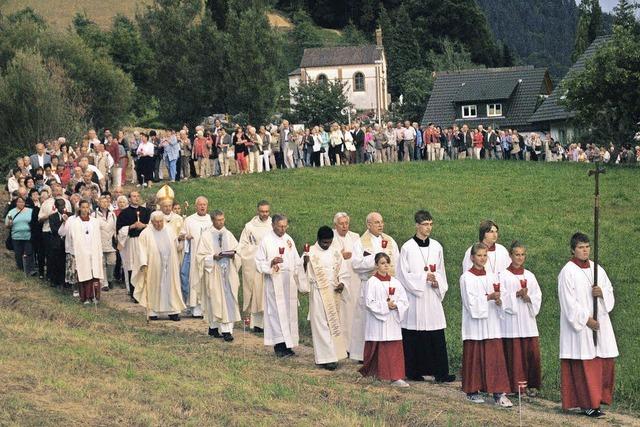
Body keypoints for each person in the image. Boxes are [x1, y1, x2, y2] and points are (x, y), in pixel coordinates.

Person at [558, 232, 618, 418]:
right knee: (584, 363)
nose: (585, 251)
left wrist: (601, 293)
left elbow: (609, 290)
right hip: (581, 326)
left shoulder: (597, 268)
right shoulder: (567, 271)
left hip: (599, 322)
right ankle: (587, 403)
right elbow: (568, 302)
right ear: (573, 250)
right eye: (581, 248)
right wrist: (586, 320)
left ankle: (597, 400)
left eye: (587, 247)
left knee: (601, 360)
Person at [397, 210, 455, 382]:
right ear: (417, 225)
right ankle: (414, 371)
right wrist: (423, 278)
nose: (428, 228)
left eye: (430, 224)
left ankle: (440, 372)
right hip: (415, 297)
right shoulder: (407, 247)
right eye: (425, 224)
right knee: (415, 332)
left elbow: (441, 271)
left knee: (435, 332)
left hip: (432, 295)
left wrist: (437, 281)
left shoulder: (437, 246)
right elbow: (403, 275)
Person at [460, 242, 513, 407]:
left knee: (495, 357)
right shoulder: (466, 278)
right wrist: (488, 298)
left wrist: (498, 300)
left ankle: (498, 392)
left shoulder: (492, 276)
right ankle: (472, 391)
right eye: (479, 255)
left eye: (485, 255)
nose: (482, 259)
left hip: (491, 322)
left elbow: (501, 299)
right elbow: (470, 302)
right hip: (475, 325)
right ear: (472, 257)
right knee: (475, 356)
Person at [255, 214, 308, 357]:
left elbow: (296, 261)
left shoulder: (288, 239)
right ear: (273, 225)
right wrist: (271, 263)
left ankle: (288, 344)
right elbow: (259, 262)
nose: (283, 229)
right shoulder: (266, 240)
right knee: (277, 313)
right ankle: (279, 346)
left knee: (289, 313)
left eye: (285, 226)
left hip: (288, 281)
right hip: (275, 281)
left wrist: (304, 263)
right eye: (280, 226)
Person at [350, 212, 399, 362]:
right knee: (366, 321)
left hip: (387, 286)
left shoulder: (390, 241)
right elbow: (356, 264)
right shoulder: (360, 242)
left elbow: (397, 262)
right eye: (376, 222)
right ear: (368, 225)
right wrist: (376, 258)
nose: (380, 225)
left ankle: (383, 353)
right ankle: (363, 354)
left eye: (381, 222)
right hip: (369, 285)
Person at [359, 252, 409, 387]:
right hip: (377, 320)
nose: (385, 265)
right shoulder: (372, 282)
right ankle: (377, 374)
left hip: (392, 320)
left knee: (393, 348)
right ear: (376, 265)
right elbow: (369, 302)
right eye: (382, 263)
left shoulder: (395, 282)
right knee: (378, 347)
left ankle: (396, 377)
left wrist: (396, 305)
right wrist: (386, 306)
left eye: (387, 263)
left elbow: (404, 300)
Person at [303, 226, 349, 370]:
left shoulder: (336, 252)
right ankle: (325, 358)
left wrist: (342, 283)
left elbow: (344, 271)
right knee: (320, 324)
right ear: (318, 239)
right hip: (318, 291)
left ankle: (335, 354)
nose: (326, 245)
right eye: (324, 242)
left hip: (333, 291)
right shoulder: (310, 252)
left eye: (329, 242)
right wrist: (304, 263)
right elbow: (301, 273)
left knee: (333, 324)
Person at [500, 241, 542, 395]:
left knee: (531, 353)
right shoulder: (503, 275)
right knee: (515, 352)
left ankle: (530, 385)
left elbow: (538, 295)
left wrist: (529, 298)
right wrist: (515, 295)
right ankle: (514, 385)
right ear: (511, 256)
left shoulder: (530, 275)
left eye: (522, 254)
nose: (520, 257)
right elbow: (502, 297)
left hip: (527, 320)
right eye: (516, 254)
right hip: (512, 321)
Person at [130, 211, 185, 320]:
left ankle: (173, 311)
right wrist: (143, 263)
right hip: (154, 265)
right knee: (154, 287)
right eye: (156, 222)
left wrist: (180, 242)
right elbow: (141, 250)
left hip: (169, 264)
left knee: (171, 287)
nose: (159, 224)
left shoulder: (170, 230)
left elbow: (176, 246)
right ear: (152, 222)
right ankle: (153, 311)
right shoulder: (146, 233)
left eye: (160, 221)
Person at [195, 210, 241, 341]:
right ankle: (214, 327)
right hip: (214, 271)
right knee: (215, 300)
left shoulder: (229, 234)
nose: (221, 222)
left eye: (222, 220)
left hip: (228, 272)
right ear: (213, 221)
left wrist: (234, 255)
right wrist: (212, 257)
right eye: (218, 220)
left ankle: (226, 330)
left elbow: (238, 251)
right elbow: (200, 256)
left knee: (228, 299)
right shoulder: (206, 236)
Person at [237, 200, 272, 332]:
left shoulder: (273, 225)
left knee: (268, 294)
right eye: (262, 211)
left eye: (267, 211)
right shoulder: (250, 226)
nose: (265, 214)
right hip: (255, 265)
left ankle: (268, 323)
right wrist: (256, 251)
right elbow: (243, 245)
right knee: (256, 292)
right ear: (258, 211)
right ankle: (257, 324)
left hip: (269, 265)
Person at [60, 200, 104, 305]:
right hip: (82, 252)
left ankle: (95, 296)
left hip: (93, 251)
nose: (85, 210)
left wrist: (99, 252)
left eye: (86, 207)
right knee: (84, 274)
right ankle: (85, 297)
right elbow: (69, 235)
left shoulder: (94, 221)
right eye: (83, 207)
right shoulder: (74, 222)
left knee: (94, 274)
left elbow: (98, 238)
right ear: (79, 208)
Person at [330, 212, 361, 351]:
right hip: (337, 279)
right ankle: (339, 345)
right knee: (340, 313)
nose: (344, 226)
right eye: (341, 224)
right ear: (335, 225)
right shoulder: (330, 238)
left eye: (346, 223)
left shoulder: (355, 237)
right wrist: (340, 256)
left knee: (352, 312)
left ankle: (351, 346)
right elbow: (325, 256)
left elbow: (361, 255)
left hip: (353, 279)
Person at [179, 196, 212, 317]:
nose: (202, 207)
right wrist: (186, 237)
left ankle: (208, 308)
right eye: (200, 204)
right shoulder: (189, 220)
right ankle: (195, 308)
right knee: (195, 279)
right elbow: (181, 235)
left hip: (208, 257)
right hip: (194, 257)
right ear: (196, 206)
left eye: (204, 204)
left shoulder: (211, 220)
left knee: (207, 281)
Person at [115, 191, 151, 301]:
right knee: (132, 266)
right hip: (131, 242)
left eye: (138, 196)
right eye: (134, 196)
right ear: (129, 199)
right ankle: (134, 293)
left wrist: (144, 225)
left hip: (144, 242)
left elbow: (153, 225)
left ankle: (144, 291)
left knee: (143, 265)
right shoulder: (124, 213)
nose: (136, 198)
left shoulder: (146, 211)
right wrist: (132, 226)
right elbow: (119, 230)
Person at [5, 196, 34, 274]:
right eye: (19, 202)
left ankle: (29, 269)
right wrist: (9, 224)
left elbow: (34, 222)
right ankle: (20, 268)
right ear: (16, 203)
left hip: (28, 236)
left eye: (22, 202)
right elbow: (7, 225)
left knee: (29, 252)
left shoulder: (30, 211)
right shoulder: (11, 212)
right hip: (16, 236)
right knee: (18, 253)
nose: (21, 203)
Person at [93, 195, 117, 292]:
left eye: (106, 202)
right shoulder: (94, 215)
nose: (105, 203)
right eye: (102, 202)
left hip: (110, 242)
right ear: (98, 203)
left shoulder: (113, 214)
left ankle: (110, 278)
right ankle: (104, 283)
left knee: (112, 261)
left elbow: (115, 228)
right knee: (101, 263)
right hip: (99, 242)